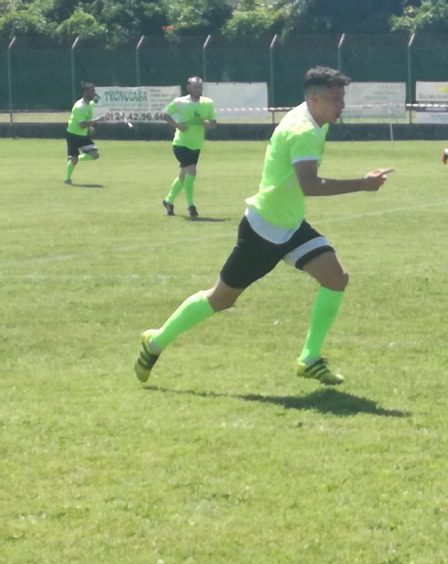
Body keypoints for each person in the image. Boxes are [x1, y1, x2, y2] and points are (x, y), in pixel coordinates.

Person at [134, 66, 392, 386]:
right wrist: (363, 184)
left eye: (342, 97)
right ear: (313, 98)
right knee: (221, 299)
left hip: (290, 224)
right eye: (335, 98)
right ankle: (155, 341)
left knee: (336, 277)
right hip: (264, 230)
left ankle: (309, 359)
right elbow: (310, 185)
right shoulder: (303, 130)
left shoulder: (314, 118)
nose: (342, 105)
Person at [160, 76, 218, 218]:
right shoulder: (179, 102)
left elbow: (214, 123)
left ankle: (168, 201)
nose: (198, 89)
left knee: (184, 175)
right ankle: (191, 205)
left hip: (196, 144)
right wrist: (178, 125)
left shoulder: (208, 103)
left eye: (200, 86)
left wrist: (204, 123)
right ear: (188, 88)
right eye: (195, 86)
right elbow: (164, 114)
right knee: (192, 170)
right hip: (181, 143)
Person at [64, 82, 102, 184]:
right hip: (73, 135)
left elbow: (98, 101)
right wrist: (94, 122)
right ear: (85, 92)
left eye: (94, 91)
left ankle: (73, 158)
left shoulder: (90, 103)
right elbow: (81, 125)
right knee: (74, 160)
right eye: (92, 91)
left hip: (82, 135)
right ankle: (67, 178)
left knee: (95, 155)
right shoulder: (79, 107)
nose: (94, 93)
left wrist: (90, 127)